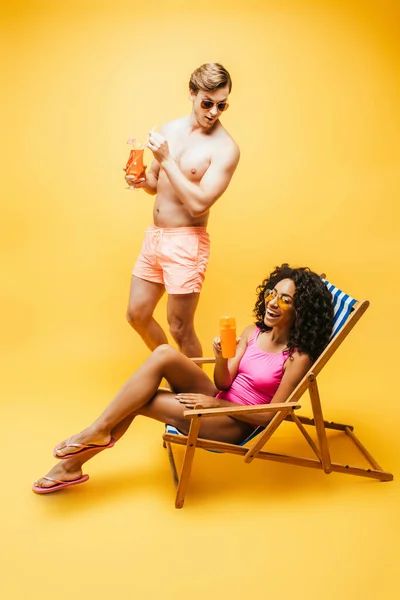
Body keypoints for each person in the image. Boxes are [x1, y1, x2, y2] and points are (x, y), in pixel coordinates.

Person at [32, 264, 334, 494]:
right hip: (221, 400)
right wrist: (219, 358)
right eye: (272, 294)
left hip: (236, 422)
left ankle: (72, 463)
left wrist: (212, 406)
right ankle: (91, 437)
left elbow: (272, 416)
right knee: (163, 352)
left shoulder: (297, 357)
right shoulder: (252, 333)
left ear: (301, 311)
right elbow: (223, 384)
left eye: (286, 300)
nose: (273, 303)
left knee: (141, 400)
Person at [125, 63, 240, 357]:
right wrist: (140, 180)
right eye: (207, 103)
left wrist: (166, 160)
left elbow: (199, 202)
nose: (214, 112)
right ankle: (177, 374)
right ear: (192, 92)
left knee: (179, 327)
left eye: (221, 105)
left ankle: (198, 395)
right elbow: (155, 183)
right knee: (137, 314)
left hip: (186, 242)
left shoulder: (225, 148)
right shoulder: (169, 129)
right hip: (155, 237)